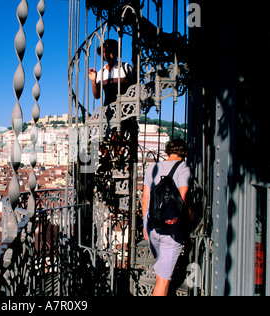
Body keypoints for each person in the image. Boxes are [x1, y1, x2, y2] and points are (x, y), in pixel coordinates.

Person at [141, 139, 192, 296]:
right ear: (184, 153)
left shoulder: (153, 168)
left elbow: (144, 198)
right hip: (172, 229)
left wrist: (145, 225)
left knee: (161, 272)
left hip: (152, 227)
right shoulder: (184, 168)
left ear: (168, 151)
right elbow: (182, 198)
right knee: (163, 281)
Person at [89, 39, 133, 106]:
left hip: (126, 109)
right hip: (109, 111)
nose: (106, 54)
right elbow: (97, 96)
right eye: (103, 51)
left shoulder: (125, 67)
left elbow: (135, 87)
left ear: (115, 51)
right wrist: (93, 81)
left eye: (108, 51)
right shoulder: (101, 72)